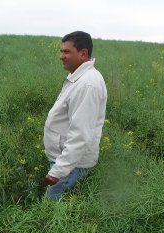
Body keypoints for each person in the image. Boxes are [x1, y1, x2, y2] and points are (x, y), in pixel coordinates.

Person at [43, 31, 107, 201]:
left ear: (83, 53)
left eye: (67, 52)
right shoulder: (78, 76)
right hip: (67, 162)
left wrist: (58, 171)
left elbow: (80, 135)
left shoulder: (88, 84)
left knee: (50, 213)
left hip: (71, 166)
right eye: (61, 51)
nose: (61, 56)